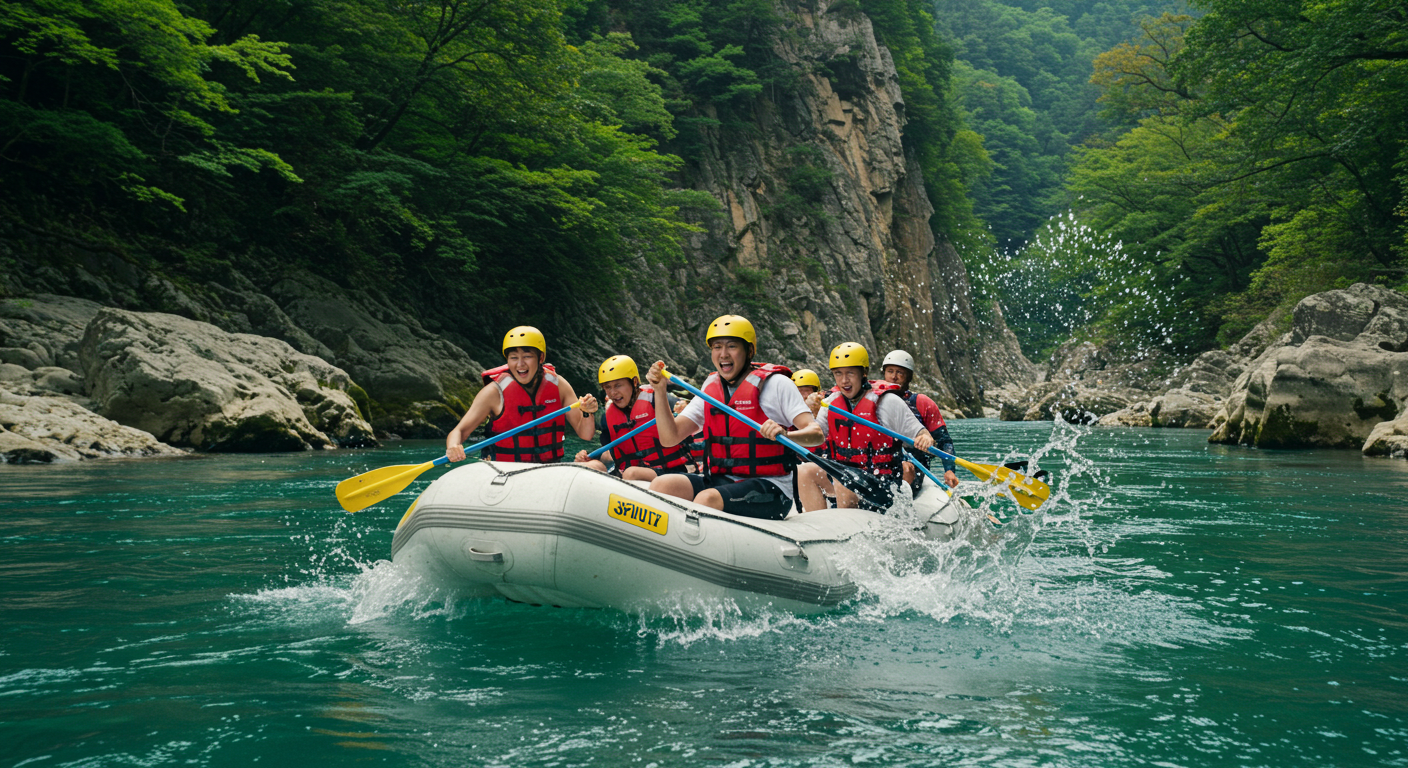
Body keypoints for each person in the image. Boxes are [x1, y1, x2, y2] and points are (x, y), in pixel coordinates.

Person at [643, 314, 824, 520]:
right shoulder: (710, 388)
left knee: (707, 499)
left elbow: (816, 434)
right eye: (717, 347)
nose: (723, 354)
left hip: (772, 489)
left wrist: (786, 435)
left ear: (749, 351)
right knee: (661, 485)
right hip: (722, 480)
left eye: (732, 346)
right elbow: (670, 438)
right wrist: (659, 391)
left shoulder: (777, 385)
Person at [797, 343, 935, 512]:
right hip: (848, 478)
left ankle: (845, 527)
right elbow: (816, 435)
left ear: (864, 373)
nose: (843, 380)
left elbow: (922, 433)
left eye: (850, 373)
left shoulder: (887, 402)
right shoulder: (831, 402)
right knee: (805, 472)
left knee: (844, 479)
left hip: (883, 485)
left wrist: (924, 438)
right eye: (838, 373)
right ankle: (819, 528)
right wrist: (788, 435)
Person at [444, 326, 597, 463]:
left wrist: (586, 413)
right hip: (504, 471)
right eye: (514, 358)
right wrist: (453, 446)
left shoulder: (558, 386)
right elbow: (459, 431)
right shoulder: (494, 392)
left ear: (541, 358)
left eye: (527, 356)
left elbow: (585, 435)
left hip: (549, 468)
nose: (520, 364)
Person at [574, 355, 691, 482]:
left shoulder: (659, 399)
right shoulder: (608, 417)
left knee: (631, 473)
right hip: (629, 475)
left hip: (669, 473)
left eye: (618, 385)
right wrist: (589, 458)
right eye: (608, 387)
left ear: (634, 382)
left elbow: (688, 414)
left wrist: (684, 408)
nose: (613, 392)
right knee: (589, 467)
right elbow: (609, 455)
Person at [881, 349, 959, 489]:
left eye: (900, 372)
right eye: (890, 371)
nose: (894, 377)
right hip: (881, 465)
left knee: (905, 467)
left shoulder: (923, 403)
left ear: (908, 377)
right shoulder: (873, 400)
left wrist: (949, 470)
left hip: (914, 467)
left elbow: (944, 441)